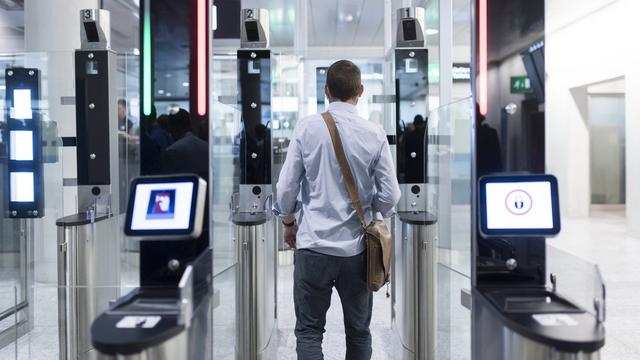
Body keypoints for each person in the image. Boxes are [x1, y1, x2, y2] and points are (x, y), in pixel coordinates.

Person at [273, 60, 401, 359]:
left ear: (326, 90)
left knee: (309, 331)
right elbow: (391, 193)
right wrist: (373, 215)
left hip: (313, 246)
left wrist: (289, 222)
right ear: (361, 91)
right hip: (357, 251)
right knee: (358, 332)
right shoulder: (374, 133)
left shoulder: (307, 127)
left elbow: (286, 187)